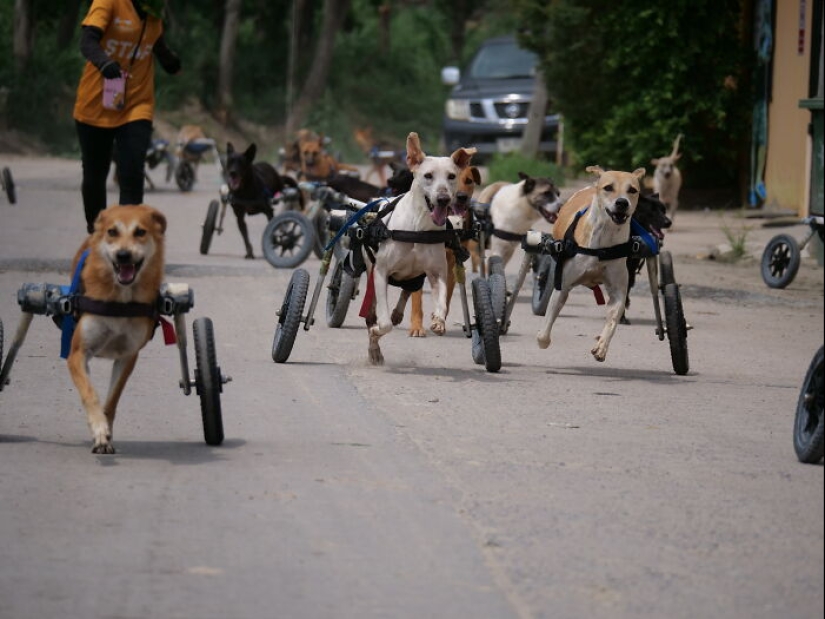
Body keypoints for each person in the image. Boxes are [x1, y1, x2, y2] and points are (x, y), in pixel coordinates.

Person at [73, 0, 180, 233]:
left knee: (132, 171)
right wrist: (104, 63)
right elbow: (87, 41)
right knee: (94, 175)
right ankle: (98, 233)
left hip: (137, 104)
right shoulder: (110, 2)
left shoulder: (154, 15)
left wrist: (171, 61)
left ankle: (126, 236)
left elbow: (155, 44)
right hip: (95, 104)